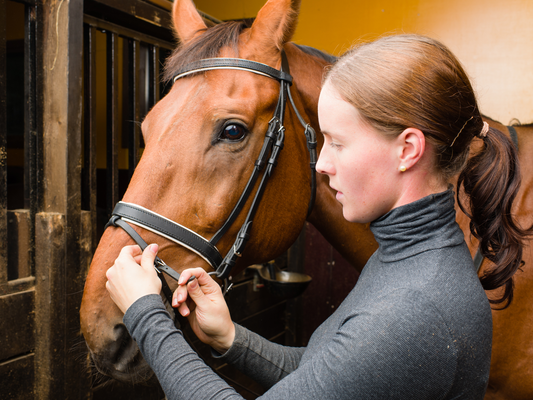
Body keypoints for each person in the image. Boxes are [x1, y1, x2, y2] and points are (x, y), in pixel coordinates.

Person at [105, 34, 529, 399]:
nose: (321, 164)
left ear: (408, 150)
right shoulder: (406, 257)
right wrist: (230, 337)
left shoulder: (418, 307)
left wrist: (146, 313)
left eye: (338, 143)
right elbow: (330, 374)